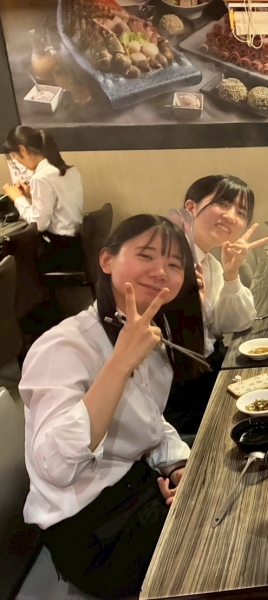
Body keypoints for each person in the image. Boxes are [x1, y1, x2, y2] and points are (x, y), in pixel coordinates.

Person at [19, 215, 205, 599]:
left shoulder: (149, 332)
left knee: (225, 492)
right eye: (146, 256)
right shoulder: (62, 346)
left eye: (174, 264)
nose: (161, 271)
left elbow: (150, 421)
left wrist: (177, 465)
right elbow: (56, 467)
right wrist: (119, 364)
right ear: (107, 260)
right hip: (90, 529)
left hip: (138, 484)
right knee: (222, 539)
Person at [164, 175, 268, 433]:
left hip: (203, 373)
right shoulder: (167, 260)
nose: (231, 216)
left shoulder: (209, 264)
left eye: (241, 212)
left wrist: (231, 275)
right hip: (173, 395)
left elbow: (236, 323)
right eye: (222, 204)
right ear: (191, 209)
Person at [2, 126, 85, 272]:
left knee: (13, 255)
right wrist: (30, 195)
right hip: (76, 245)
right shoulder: (69, 171)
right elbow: (59, 203)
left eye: (14, 157)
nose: (18, 162)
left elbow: (38, 225)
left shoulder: (41, 177)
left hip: (60, 251)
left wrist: (17, 198)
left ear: (22, 149)